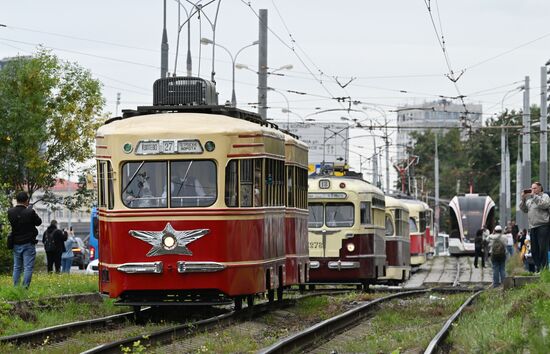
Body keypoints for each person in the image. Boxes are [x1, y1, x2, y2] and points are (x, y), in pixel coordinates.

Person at [8, 192, 42, 288]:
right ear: (27, 200)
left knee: (17, 267)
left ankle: (16, 287)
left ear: (16, 200)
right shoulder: (30, 212)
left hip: (15, 242)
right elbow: (39, 222)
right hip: (28, 243)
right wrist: (31, 210)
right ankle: (25, 288)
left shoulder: (10, 212)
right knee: (28, 267)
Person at [519, 181, 550, 272]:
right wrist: (523, 199)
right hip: (533, 227)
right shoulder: (530, 200)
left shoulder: (544, 196)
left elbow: (544, 205)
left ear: (540, 188)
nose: (532, 190)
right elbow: (524, 209)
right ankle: (539, 268)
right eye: (531, 188)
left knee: (542, 248)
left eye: (535, 188)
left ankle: (544, 268)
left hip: (543, 226)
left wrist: (535, 196)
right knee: (534, 250)